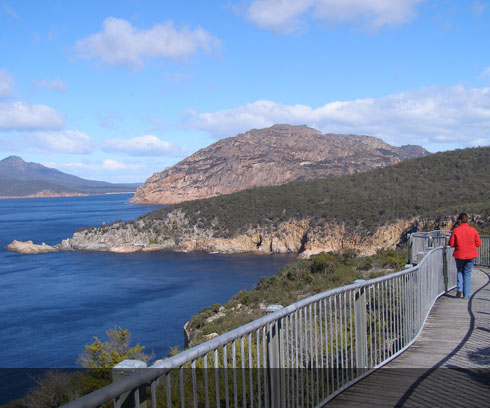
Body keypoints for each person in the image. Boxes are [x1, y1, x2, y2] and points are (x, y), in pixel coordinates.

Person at [448, 213, 481, 299]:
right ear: (467, 220)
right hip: (471, 255)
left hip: (459, 254)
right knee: (467, 273)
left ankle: (459, 288)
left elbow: (451, 243)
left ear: (459, 220)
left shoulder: (456, 230)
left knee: (459, 271)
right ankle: (466, 295)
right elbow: (478, 243)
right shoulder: (473, 230)